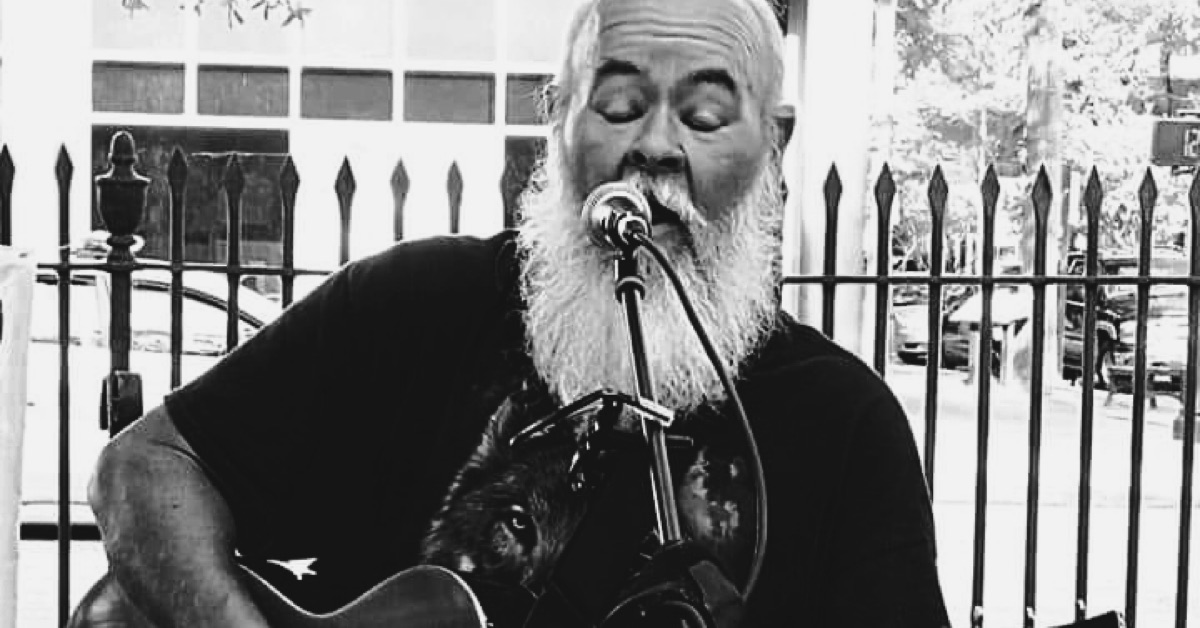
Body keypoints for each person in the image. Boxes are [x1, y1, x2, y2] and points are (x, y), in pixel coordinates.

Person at [78, 0, 952, 626]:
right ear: (556, 120)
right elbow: (144, 471)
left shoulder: (844, 427)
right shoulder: (416, 308)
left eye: (707, 114)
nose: (656, 146)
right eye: (618, 105)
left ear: (775, 143)